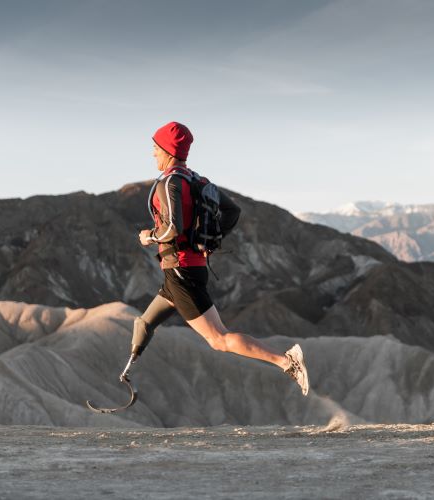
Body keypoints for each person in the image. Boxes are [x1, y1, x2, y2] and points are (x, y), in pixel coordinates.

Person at [129, 121, 309, 395]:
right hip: (186, 270)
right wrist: (206, 240)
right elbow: (232, 211)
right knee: (145, 322)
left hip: (181, 271)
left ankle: (286, 361)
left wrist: (149, 236)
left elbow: (172, 227)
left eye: (155, 148)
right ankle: (127, 368)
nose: (153, 153)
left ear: (168, 150)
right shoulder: (196, 180)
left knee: (218, 339)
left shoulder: (170, 183)